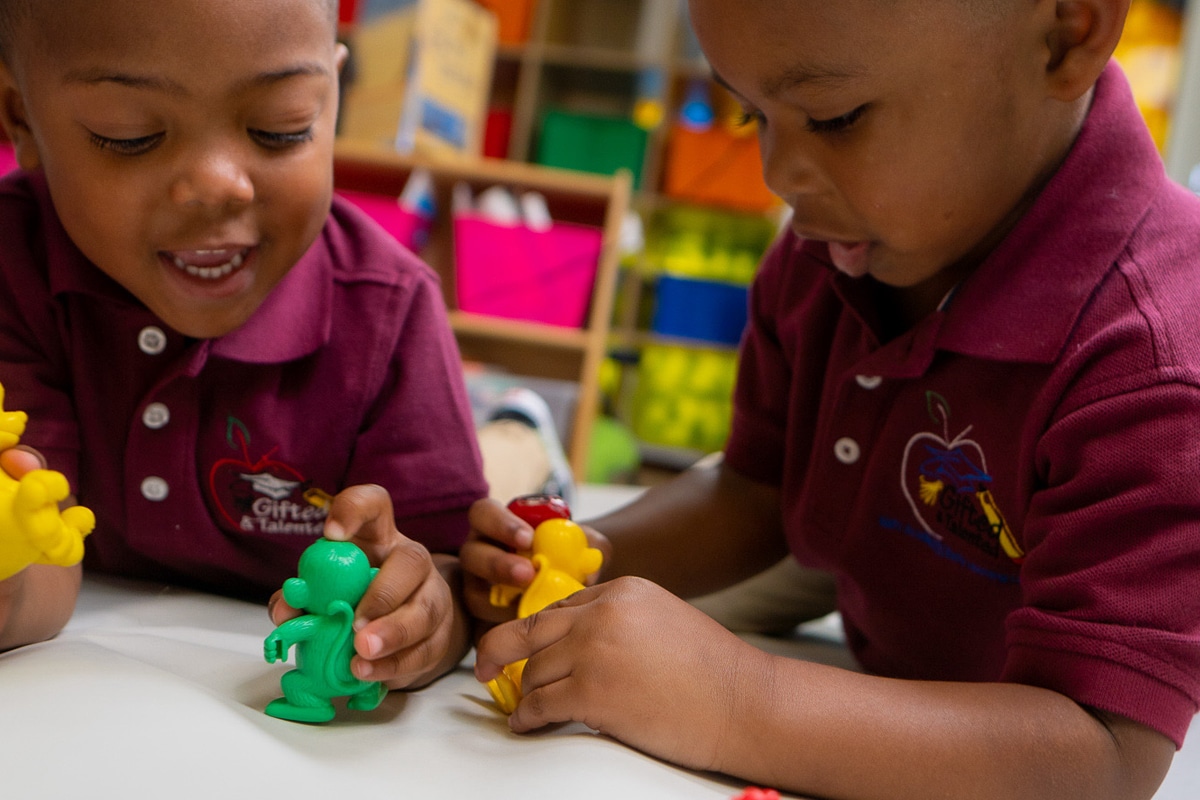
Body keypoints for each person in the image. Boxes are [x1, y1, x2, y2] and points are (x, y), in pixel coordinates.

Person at [462, 1, 1200, 797]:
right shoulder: (835, 249)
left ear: (1065, 34)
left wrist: (736, 702)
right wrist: (585, 558)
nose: (779, 175)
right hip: (873, 608)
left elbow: (1104, 755)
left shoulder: (1153, 365)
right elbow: (759, 488)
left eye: (836, 118)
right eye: (752, 116)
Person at [0, 0, 490, 692]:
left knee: (513, 473)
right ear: (20, 117)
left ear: (333, 98)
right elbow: (38, 559)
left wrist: (421, 617)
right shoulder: (14, 265)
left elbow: (447, 569)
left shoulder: (389, 309)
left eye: (280, 128)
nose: (217, 186)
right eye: (130, 136)